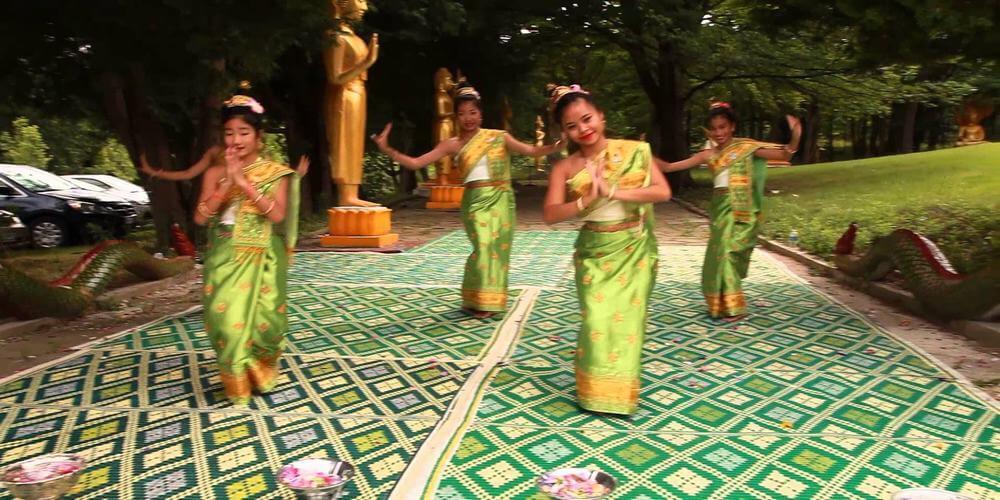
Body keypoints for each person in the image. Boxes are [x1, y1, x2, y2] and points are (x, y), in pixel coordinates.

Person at [371, 83, 564, 317]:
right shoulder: (451, 144)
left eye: (473, 112)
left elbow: (531, 151)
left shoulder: (498, 137)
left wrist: (556, 146)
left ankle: (484, 300)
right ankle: (479, 297)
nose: (468, 118)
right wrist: (387, 148)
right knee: (483, 247)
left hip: (501, 200)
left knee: (496, 250)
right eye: (462, 114)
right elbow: (415, 163)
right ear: (455, 117)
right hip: (474, 202)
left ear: (480, 113)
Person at [542, 84, 671, 415]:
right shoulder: (564, 168)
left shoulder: (636, 152)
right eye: (572, 126)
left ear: (601, 116)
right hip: (594, 252)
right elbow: (551, 215)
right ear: (564, 132)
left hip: (633, 249)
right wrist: (587, 200)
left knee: (627, 323)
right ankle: (594, 391)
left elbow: (662, 192)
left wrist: (613, 191)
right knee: (598, 320)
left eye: (587, 119)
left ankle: (618, 394)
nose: (582, 129)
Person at [193, 95, 302, 405]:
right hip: (224, 257)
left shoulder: (276, 173)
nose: (235, 139)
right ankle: (238, 382)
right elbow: (201, 217)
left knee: (268, 324)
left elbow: (278, 215)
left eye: (243, 132)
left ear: (258, 137)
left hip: (264, 256)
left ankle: (260, 370)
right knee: (226, 321)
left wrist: (246, 182)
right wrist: (228, 184)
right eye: (229, 133)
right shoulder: (214, 173)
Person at [656, 101, 801, 320]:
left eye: (723, 127)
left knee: (730, 253)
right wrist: (644, 156)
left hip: (743, 208)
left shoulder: (746, 148)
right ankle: (725, 305)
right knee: (720, 255)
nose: (719, 132)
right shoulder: (708, 154)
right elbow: (669, 167)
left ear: (732, 126)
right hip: (720, 209)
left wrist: (796, 133)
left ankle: (733, 306)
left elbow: (784, 155)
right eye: (714, 129)